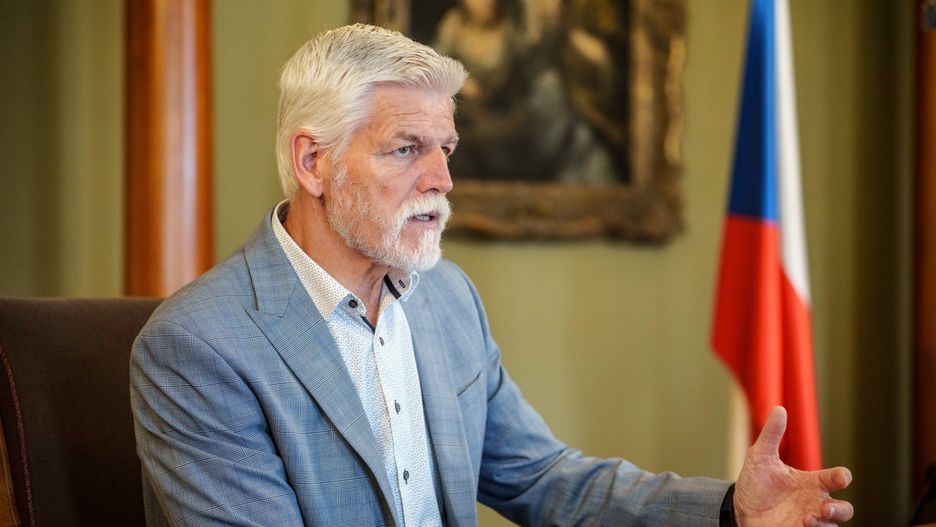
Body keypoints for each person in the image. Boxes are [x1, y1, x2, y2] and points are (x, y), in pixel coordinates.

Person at [130, 23, 853, 526]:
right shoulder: (199, 347)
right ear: (312, 162)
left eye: (446, 147)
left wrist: (730, 509)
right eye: (406, 148)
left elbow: (542, 478)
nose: (441, 178)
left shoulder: (447, 299)